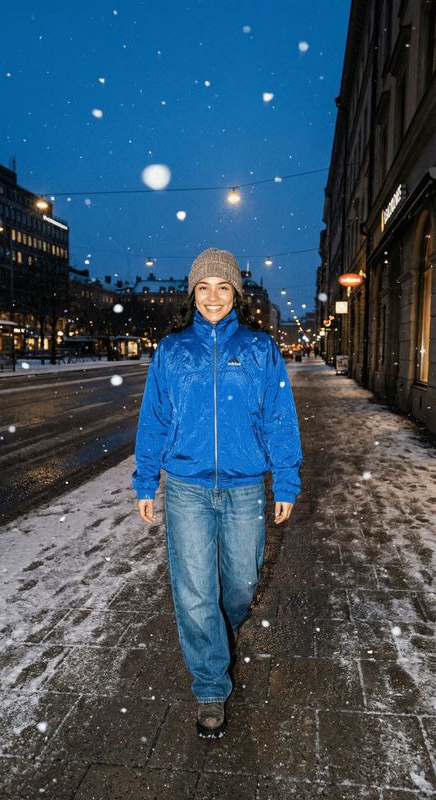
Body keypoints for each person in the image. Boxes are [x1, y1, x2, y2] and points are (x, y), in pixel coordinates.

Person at [133, 248, 302, 739]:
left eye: (222, 287)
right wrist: (147, 481)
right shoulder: (172, 350)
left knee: (241, 584)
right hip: (186, 485)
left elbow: (279, 419)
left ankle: (216, 634)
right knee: (194, 591)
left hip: (246, 486)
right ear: (192, 294)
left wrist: (285, 480)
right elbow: (155, 421)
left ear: (236, 294)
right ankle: (210, 683)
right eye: (203, 287)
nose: (212, 296)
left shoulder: (258, 348)